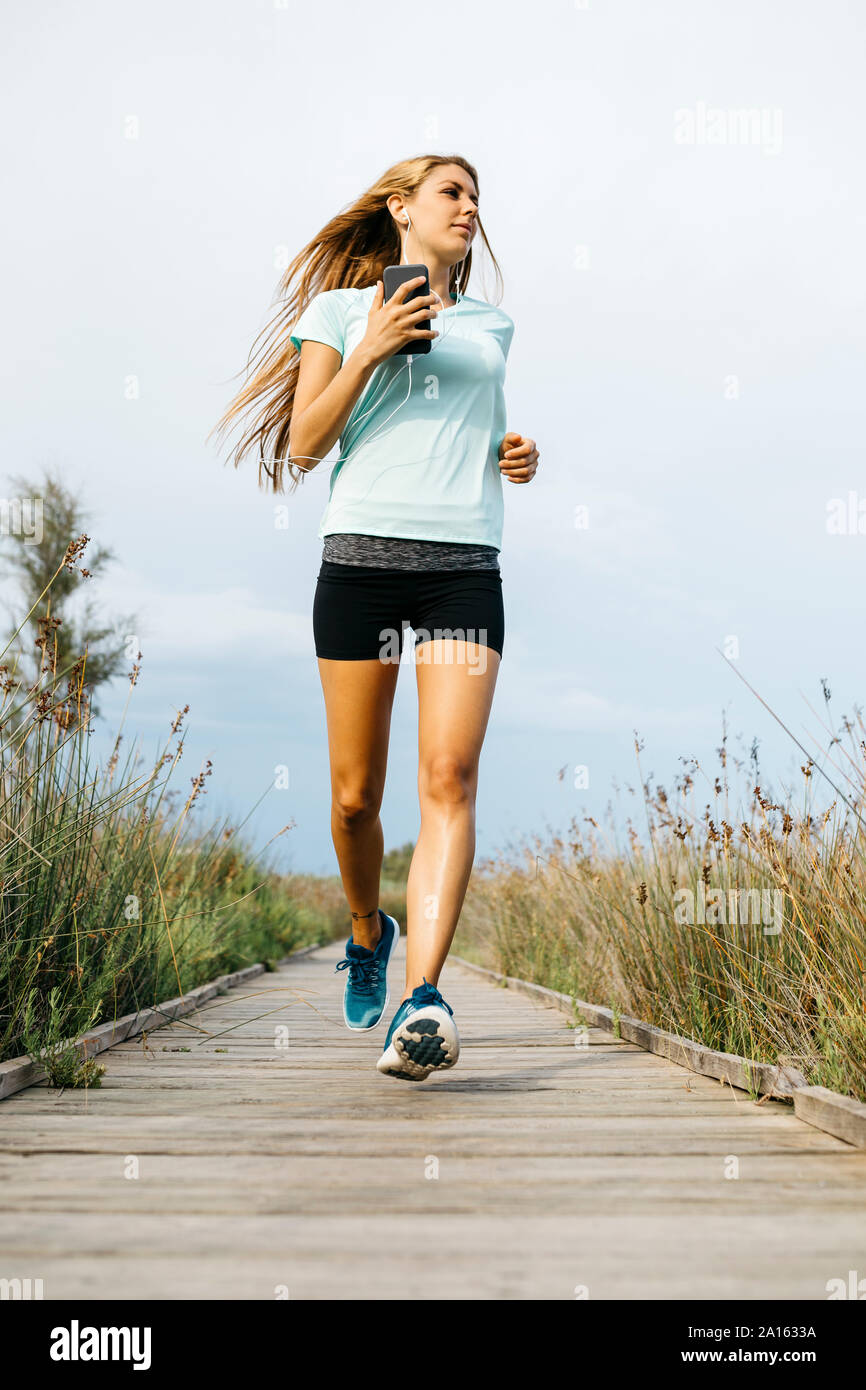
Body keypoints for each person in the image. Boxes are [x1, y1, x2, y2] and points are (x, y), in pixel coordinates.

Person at [211, 153, 539, 1081]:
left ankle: (424, 993)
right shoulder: (339, 314)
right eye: (453, 192)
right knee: (356, 797)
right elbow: (306, 444)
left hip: (463, 571)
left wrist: (511, 452)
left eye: (478, 198)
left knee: (450, 778)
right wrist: (369, 347)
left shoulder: (491, 325)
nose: (471, 208)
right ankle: (368, 930)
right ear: (402, 208)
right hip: (361, 567)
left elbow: (474, 425)